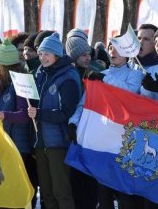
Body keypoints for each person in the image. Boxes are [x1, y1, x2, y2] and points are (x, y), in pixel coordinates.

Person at [69, 37, 143, 209]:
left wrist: (104, 80)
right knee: (103, 195)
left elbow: (130, 95)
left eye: (118, 48)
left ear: (128, 52)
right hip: (102, 143)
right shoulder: (102, 74)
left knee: (126, 197)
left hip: (124, 143)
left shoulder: (135, 74)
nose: (113, 51)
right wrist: (73, 122)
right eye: (110, 47)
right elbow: (84, 103)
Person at [27, 32, 81, 209]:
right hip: (41, 141)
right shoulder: (41, 73)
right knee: (47, 193)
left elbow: (68, 112)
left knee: (61, 192)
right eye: (41, 53)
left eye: (47, 54)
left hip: (59, 142)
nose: (43, 58)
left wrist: (40, 113)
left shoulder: (68, 77)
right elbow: (36, 101)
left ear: (57, 54)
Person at [0, 39, 37, 208]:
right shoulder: (1, 83)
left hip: (20, 146)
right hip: (6, 145)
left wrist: (4, 114)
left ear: (4, 66)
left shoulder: (21, 81)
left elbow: (25, 115)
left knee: (19, 189)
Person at [65, 28, 98, 209]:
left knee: (89, 185)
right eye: (83, 54)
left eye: (89, 54)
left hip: (90, 134)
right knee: (76, 184)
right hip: (73, 134)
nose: (88, 58)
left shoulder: (93, 73)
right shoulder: (70, 75)